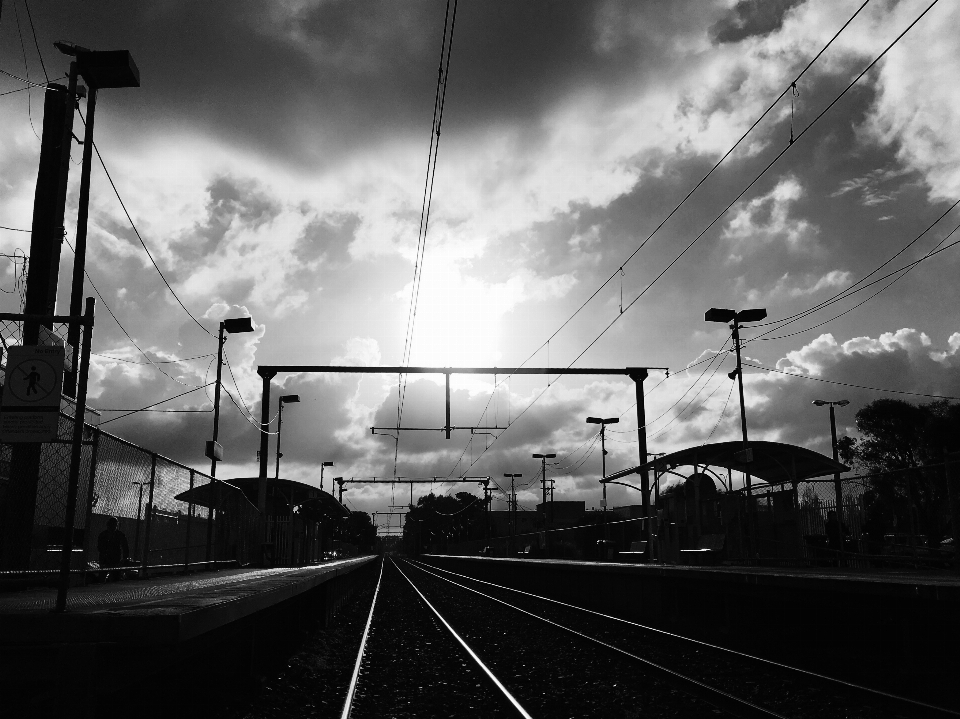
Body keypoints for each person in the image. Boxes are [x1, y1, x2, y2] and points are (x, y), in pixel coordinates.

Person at [97, 517, 129, 581]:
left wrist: (124, 558)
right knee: (110, 576)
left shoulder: (104, 534)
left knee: (111, 576)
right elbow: (125, 547)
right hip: (110, 559)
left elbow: (125, 547)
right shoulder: (119, 535)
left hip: (111, 559)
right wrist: (124, 558)